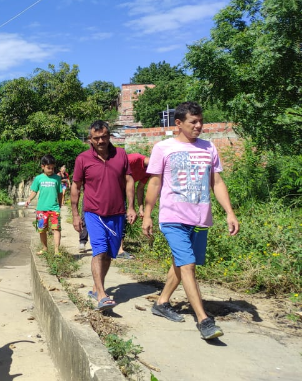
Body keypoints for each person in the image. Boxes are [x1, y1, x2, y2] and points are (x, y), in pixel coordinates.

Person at [142, 101, 239, 340]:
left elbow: (216, 182)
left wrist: (229, 212)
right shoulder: (163, 148)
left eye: (200, 121)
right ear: (178, 123)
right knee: (188, 265)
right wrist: (147, 214)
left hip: (200, 218)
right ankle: (204, 320)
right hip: (173, 216)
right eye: (192, 122)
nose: (198, 126)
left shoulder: (208, 148)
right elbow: (154, 183)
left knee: (182, 261)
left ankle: (162, 302)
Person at [70, 120, 136, 311]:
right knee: (99, 250)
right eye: (96, 138)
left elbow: (129, 180)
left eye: (104, 137)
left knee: (108, 255)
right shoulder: (83, 158)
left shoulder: (121, 154)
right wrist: (75, 214)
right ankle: (101, 294)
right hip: (93, 212)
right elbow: (76, 187)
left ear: (109, 136)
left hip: (117, 212)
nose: (100, 141)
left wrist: (131, 207)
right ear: (90, 138)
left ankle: (96, 287)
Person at [25, 154, 63, 256]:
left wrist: (60, 204)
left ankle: (56, 251)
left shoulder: (57, 178)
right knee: (42, 230)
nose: (51, 170)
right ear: (42, 166)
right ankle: (44, 248)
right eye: (48, 168)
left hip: (55, 208)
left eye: (52, 168)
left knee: (56, 229)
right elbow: (34, 191)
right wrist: (29, 199)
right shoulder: (38, 178)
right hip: (41, 209)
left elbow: (60, 193)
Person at [117, 153, 151, 259]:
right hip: (113, 185)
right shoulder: (134, 158)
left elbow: (140, 189)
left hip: (125, 190)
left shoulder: (150, 171)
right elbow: (116, 168)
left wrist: (141, 208)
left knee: (123, 217)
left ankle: (119, 250)